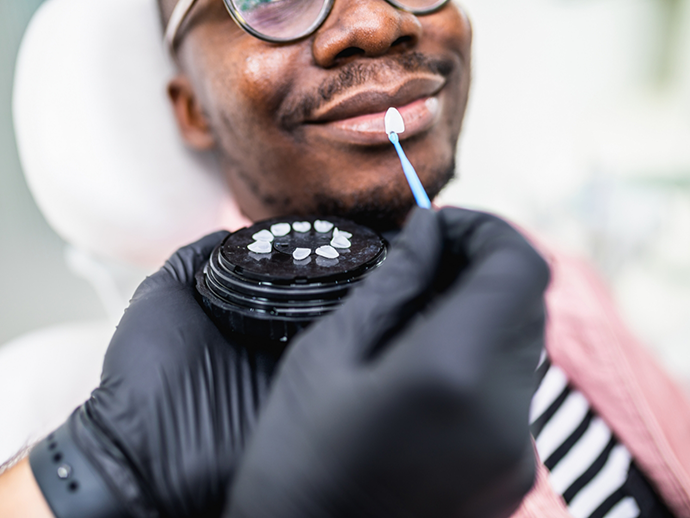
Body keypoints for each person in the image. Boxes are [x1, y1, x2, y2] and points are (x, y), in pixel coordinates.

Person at [1, 0, 689, 517]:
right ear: (193, 111)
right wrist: (104, 463)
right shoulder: (175, 423)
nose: (376, 22)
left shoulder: (538, 265)